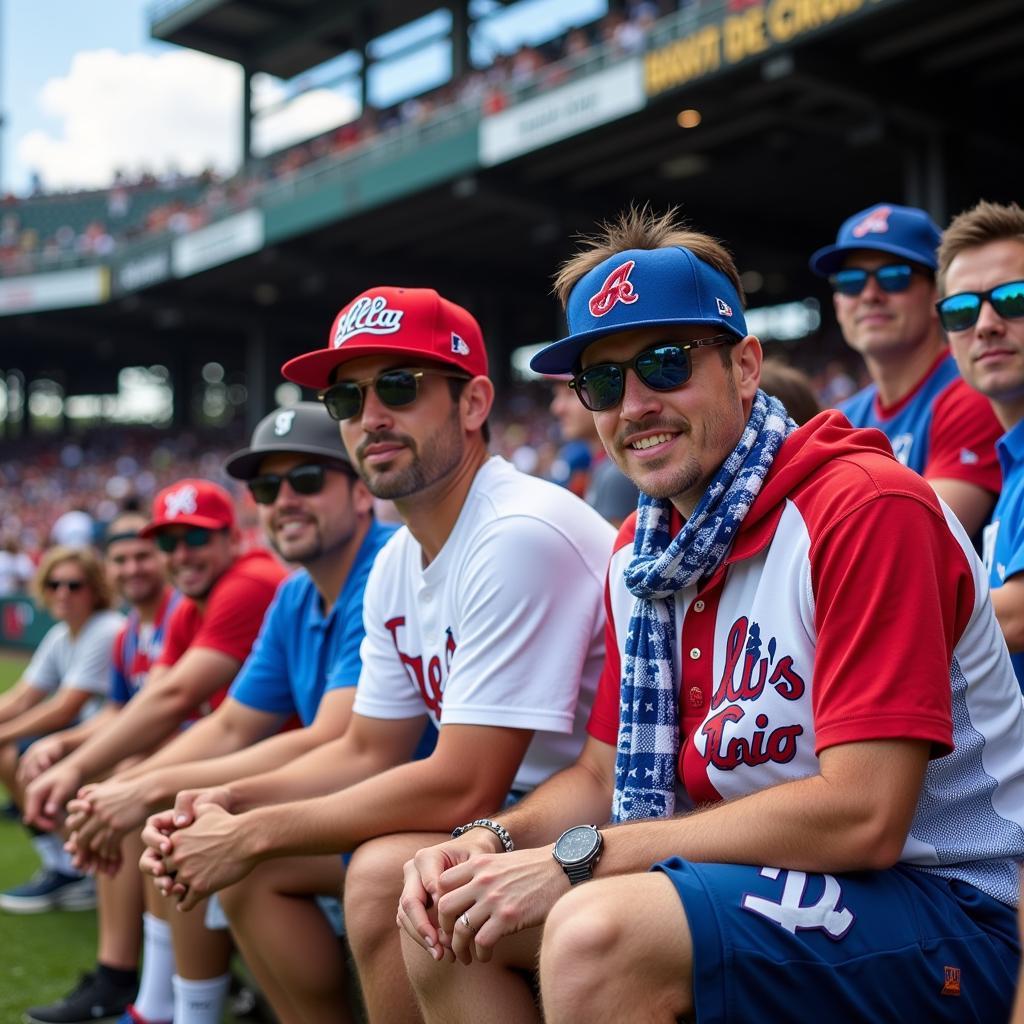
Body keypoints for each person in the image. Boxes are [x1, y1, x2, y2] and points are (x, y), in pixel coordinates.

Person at [395, 207, 1024, 1024]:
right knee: (448, 915)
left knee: (596, 928)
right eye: (604, 380)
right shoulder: (641, 551)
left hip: (949, 905)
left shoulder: (863, 507)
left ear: (746, 366)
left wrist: (582, 862)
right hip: (774, 882)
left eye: (664, 363)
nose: (635, 403)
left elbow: (864, 815)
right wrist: (490, 842)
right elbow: (597, 773)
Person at [139, 285, 614, 1024]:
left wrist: (252, 829)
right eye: (347, 399)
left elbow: (464, 786)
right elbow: (365, 748)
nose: (370, 417)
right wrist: (232, 804)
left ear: (474, 402)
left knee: (378, 874)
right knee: (266, 871)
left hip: (601, 818)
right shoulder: (396, 562)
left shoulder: (518, 530)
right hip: (517, 809)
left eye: (399, 386)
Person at [54, 402, 393, 1024]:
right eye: (267, 486)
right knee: (183, 822)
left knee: (209, 835)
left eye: (308, 480)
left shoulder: (382, 567)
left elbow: (336, 739)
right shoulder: (294, 590)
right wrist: (120, 787)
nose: (285, 498)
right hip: (345, 795)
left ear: (363, 489)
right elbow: (231, 722)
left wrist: (141, 785)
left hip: (408, 805)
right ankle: (170, 1009)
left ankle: (175, 1008)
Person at [23, 478, 286, 1024]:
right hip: (273, 757)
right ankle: (154, 1000)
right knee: (152, 807)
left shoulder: (249, 580)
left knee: (167, 813)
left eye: (196, 538)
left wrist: (88, 771)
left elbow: (172, 698)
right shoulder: (193, 604)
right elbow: (159, 696)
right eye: (170, 542)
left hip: (292, 767)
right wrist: (101, 776)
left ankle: (159, 999)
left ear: (232, 539)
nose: (180, 555)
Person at [20, 512, 178, 1024]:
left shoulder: (176, 613)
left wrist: (77, 753)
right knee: (106, 779)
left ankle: (123, 977)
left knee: (122, 789)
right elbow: (119, 708)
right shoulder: (131, 628)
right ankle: (122, 968)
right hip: (162, 754)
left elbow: (171, 706)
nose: (133, 567)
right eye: (121, 558)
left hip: (191, 760)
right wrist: (66, 745)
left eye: (143, 554)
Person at [810, 202, 1002, 536]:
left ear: (936, 297)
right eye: (852, 282)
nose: (870, 295)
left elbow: (916, 540)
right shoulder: (843, 418)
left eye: (894, 278)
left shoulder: (973, 393)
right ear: (838, 304)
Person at [0, 546, 124, 913]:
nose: (62, 593)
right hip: (89, 732)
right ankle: (63, 864)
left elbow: (64, 707)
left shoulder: (105, 628)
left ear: (96, 588)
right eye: (54, 584)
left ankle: (77, 869)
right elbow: (22, 697)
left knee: (20, 754)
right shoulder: (61, 633)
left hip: (112, 738)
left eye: (74, 584)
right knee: (13, 751)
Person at [937, 200, 1024, 691]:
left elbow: (1016, 617)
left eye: (1013, 299)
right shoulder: (1011, 457)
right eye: (963, 309)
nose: (987, 324)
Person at [549, 375, 639, 525]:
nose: (557, 408)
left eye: (570, 394)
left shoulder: (617, 474)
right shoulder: (598, 465)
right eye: (557, 395)